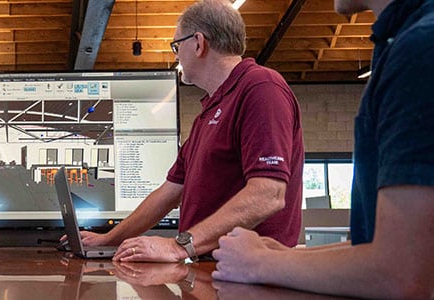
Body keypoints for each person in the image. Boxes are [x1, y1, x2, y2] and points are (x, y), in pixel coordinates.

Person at [212, 0, 434, 297]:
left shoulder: (421, 48)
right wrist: (284, 256)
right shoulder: (404, 42)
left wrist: (260, 262)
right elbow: (385, 244)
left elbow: (404, 272)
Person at [71, 0, 304, 263]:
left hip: (254, 271)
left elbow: (268, 194)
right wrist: (108, 239)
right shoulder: (209, 111)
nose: (176, 55)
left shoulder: (261, 87)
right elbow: (169, 192)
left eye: (176, 46)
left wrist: (179, 245)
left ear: (198, 43)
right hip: (213, 266)